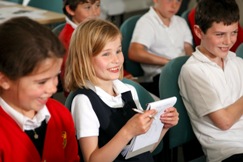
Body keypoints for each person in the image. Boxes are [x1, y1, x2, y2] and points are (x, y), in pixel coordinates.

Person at [64, 18, 179, 162]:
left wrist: (163, 126)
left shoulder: (127, 90)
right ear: (84, 59)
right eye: (106, 54)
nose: (116, 60)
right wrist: (128, 131)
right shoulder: (84, 100)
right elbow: (92, 159)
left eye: (118, 51)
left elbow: (144, 151)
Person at [0, 17, 80, 162]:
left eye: (55, 76)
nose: (53, 88)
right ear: (4, 80)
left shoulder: (60, 114)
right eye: (41, 82)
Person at [178, 0, 243, 161]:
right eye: (220, 34)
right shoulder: (193, 71)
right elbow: (225, 121)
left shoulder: (236, 62)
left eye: (233, 32)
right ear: (199, 32)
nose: (228, 41)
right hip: (229, 151)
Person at [128, 0, 194, 97]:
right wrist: (170, 63)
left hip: (183, 71)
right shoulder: (146, 22)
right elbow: (135, 52)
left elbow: (188, 47)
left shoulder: (181, 22)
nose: (174, 5)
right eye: (169, 0)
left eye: (178, 1)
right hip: (161, 76)